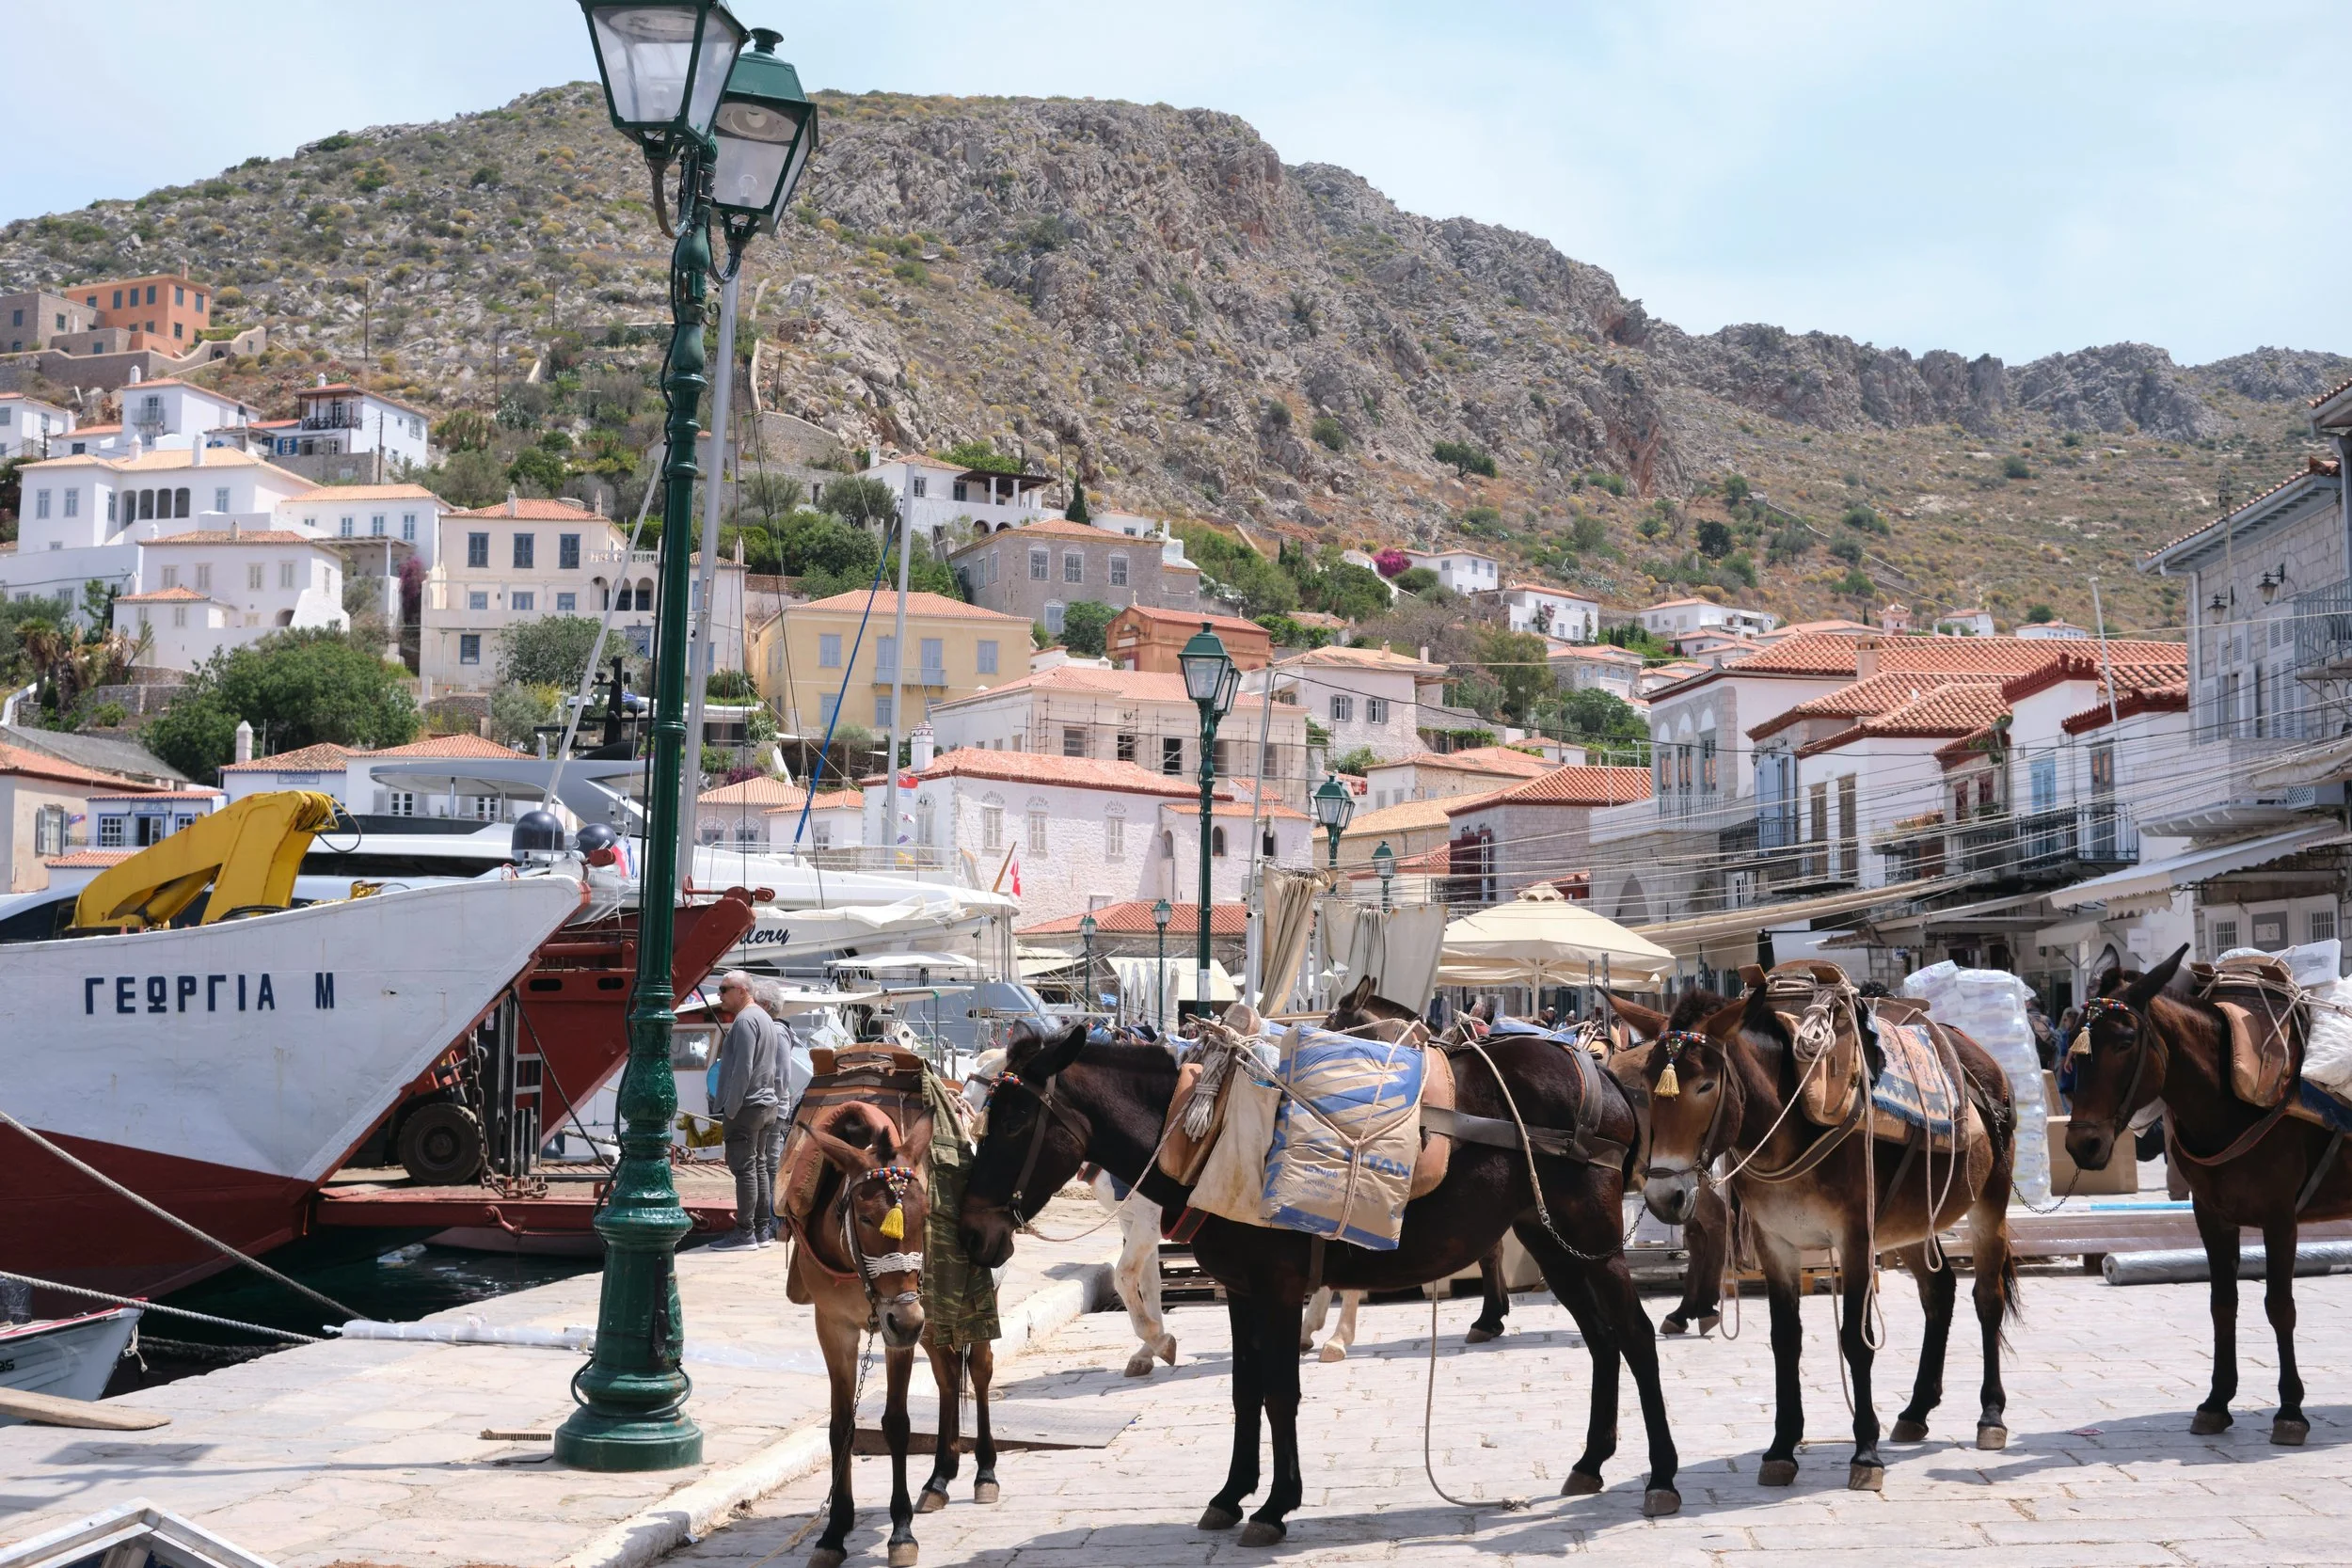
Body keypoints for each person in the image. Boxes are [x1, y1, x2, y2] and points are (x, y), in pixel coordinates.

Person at [708, 971, 780, 1252]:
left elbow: (743, 1069)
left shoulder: (745, 1021)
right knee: (758, 1165)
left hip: (748, 1106)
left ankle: (744, 1232)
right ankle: (761, 1230)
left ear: (740, 990)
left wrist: (732, 1107)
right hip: (765, 1104)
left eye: (724, 989)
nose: (720, 995)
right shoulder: (764, 1018)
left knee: (744, 1168)